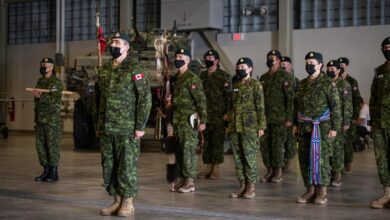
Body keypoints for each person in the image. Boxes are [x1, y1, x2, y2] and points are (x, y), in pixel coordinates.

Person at [96, 32, 152, 217]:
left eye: (117, 42)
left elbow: (144, 99)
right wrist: (99, 125)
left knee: (126, 166)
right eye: (112, 41)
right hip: (107, 126)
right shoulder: (104, 70)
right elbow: (99, 100)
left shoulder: (135, 68)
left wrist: (140, 126)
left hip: (127, 127)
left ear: (127, 47)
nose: (113, 45)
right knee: (109, 165)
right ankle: (116, 200)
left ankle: (128, 202)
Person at [295, 52, 341, 205]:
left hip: (322, 128)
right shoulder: (301, 84)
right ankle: (310, 190)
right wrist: (296, 125)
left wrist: (335, 127)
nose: (309, 65)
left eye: (312, 62)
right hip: (304, 127)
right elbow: (297, 106)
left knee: (321, 160)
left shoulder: (328, 84)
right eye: (307, 62)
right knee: (304, 158)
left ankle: (322, 191)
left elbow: (336, 108)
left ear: (320, 65)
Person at [228, 57, 266, 199]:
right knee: (238, 158)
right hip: (235, 126)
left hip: (250, 127)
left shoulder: (256, 85)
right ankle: (242, 185)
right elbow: (231, 106)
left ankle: (251, 186)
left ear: (250, 69)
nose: (240, 69)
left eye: (243, 66)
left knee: (249, 157)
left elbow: (260, 107)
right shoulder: (236, 84)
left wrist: (261, 126)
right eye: (238, 66)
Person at [172, 48, 207, 193]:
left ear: (187, 60)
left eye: (181, 56)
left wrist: (203, 120)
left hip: (189, 120)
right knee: (179, 151)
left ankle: (190, 181)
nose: (178, 59)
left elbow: (201, 100)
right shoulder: (177, 78)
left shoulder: (192, 78)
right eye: (176, 56)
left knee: (188, 151)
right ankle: (181, 178)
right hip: (177, 120)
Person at [259, 50, 294, 183]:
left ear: (279, 60)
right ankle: (269, 170)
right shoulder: (263, 77)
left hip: (280, 118)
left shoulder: (285, 76)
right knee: (265, 146)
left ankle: (278, 172)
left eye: (272, 58)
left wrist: (289, 118)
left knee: (277, 146)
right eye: (268, 58)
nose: (270, 60)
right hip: (265, 118)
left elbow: (290, 99)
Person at [197, 50, 230, 180]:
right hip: (205, 115)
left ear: (216, 60)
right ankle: (208, 167)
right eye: (206, 57)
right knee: (206, 142)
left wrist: (227, 113)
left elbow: (229, 97)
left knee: (217, 142)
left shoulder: (224, 76)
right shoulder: (202, 76)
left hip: (219, 115)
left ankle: (216, 168)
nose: (208, 60)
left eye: (210, 57)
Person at [33, 57, 63, 182]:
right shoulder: (40, 81)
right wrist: (38, 96)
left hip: (51, 120)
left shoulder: (56, 82)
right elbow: (37, 100)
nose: (43, 66)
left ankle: (54, 172)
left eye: (46, 64)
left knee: (52, 146)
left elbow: (54, 100)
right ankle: (45, 170)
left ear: (52, 67)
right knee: (41, 146)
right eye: (42, 64)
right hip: (40, 119)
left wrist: (40, 96)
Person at [369, 36, 390, 209]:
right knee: (382, 159)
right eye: (385, 47)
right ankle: (387, 194)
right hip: (380, 123)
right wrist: (373, 121)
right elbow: (373, 97)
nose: (388, 49)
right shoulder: (380, 71)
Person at [326, 60, 352, 187]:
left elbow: (347, 105)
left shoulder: (344, 84)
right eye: (328, 69)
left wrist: (346, 122)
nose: (330, 71)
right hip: (325, 122)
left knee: (337, 150)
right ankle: (327, 174)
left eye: (333, 69)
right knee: (327, 149)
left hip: (338, 122)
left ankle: (337, 176)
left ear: (338, 70)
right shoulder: (325, 83)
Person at [156, 70, 179, 192]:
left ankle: (183, 179)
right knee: (171, 154)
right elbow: (161, 100)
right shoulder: (165, 84)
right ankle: (172, 180)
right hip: (169, 124)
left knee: (180, 154)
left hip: (180, 123)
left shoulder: (178, 83)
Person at [338, 57, 362, 174]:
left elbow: (357, 100)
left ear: (347, 66)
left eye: (343, 65)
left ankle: (347, 165)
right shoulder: (333, 80)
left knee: (347, 143)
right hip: (336, 117)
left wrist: (355, 117)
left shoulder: (352, 81)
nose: (341, 67)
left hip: (349, 116)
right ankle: (337, 167)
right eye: (340, 65)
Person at [280, 56, 300, 171]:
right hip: (278, 116)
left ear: (290, 66)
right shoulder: (276, 79)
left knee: (290, 142)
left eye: (285, 65)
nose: (283, 66)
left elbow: (297, 102)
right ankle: (279, 164)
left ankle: (289, 165)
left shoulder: (295, 81)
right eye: (281, 64)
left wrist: (295, 120)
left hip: (291, 116)